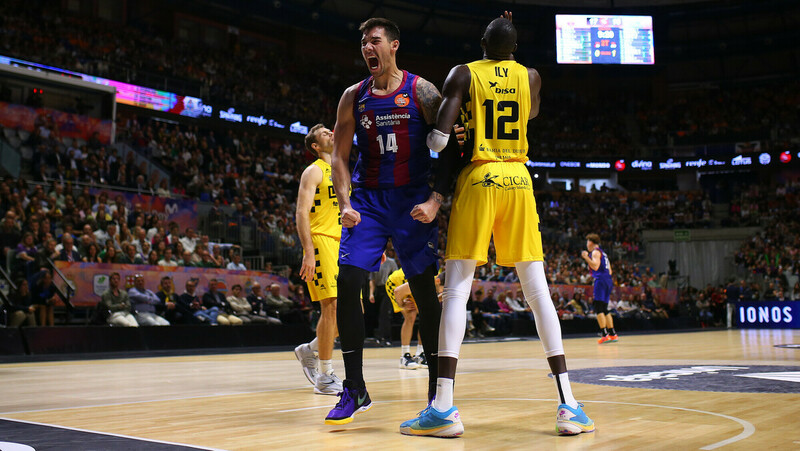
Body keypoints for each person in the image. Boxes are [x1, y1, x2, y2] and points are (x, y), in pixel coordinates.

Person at [401, 13, 594, 437]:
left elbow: (440, 134)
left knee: (457, 290)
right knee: (538, 290)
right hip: (519, 179)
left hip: (480, 176)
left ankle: (444, 408)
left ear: (482, 43)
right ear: (515, 49)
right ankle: (569, 406)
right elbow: (532, 111)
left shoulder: (464, 73)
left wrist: (439, 135)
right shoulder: (531, 77)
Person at [326, 17, 450, 426]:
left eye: (374, 41)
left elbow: (451, 149)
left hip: (413, 200)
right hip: (369, 203)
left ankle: (437, 391)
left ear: (393, 45)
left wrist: (435, 200)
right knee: (347, 284)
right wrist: (345, 201)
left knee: (424, 296)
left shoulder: (423, 91)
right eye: (363, 42)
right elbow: (339, 157)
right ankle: (355, 388)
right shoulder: (353, 97)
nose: (367, 48)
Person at [293, 124, 344, 396]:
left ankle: (310, 350)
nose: (332, 134)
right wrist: (308, 251)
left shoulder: (342, 170)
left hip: (343, 243)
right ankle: (325, 376)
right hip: (322, 239)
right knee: (332, 306)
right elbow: (302, 212)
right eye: (325, 134)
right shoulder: (313, 171)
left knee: (351, 313)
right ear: (315, 146)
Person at [385, 268, 424, 369]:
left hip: (414, 282)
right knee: (410, 315)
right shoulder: (429, 278)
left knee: (427, 316)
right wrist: (402, 304)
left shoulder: (438, 278)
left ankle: (421, 353)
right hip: (397, 283)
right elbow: (398, 291)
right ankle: (405, 355)